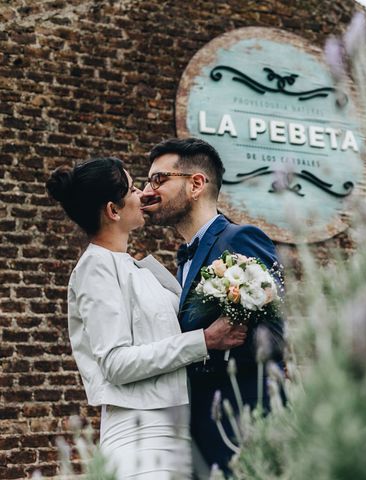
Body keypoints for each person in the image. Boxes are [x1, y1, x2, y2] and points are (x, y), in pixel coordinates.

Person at [46, 157, 247, 479]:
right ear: (113, 210)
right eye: (134, 187)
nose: (143, 193)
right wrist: (204, 340)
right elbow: (115, 362)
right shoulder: (96, 268)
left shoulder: (134, 268)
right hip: (141, 437)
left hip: (178, 431)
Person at [141, 137, 285, 475]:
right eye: (148, 181)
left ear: (196, 184)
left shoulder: (240, 239)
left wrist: (211, 344)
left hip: (244, 427)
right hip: (199, 432)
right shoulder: (184, 259)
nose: (149, 190)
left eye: (159, 179)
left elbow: (275, 337)